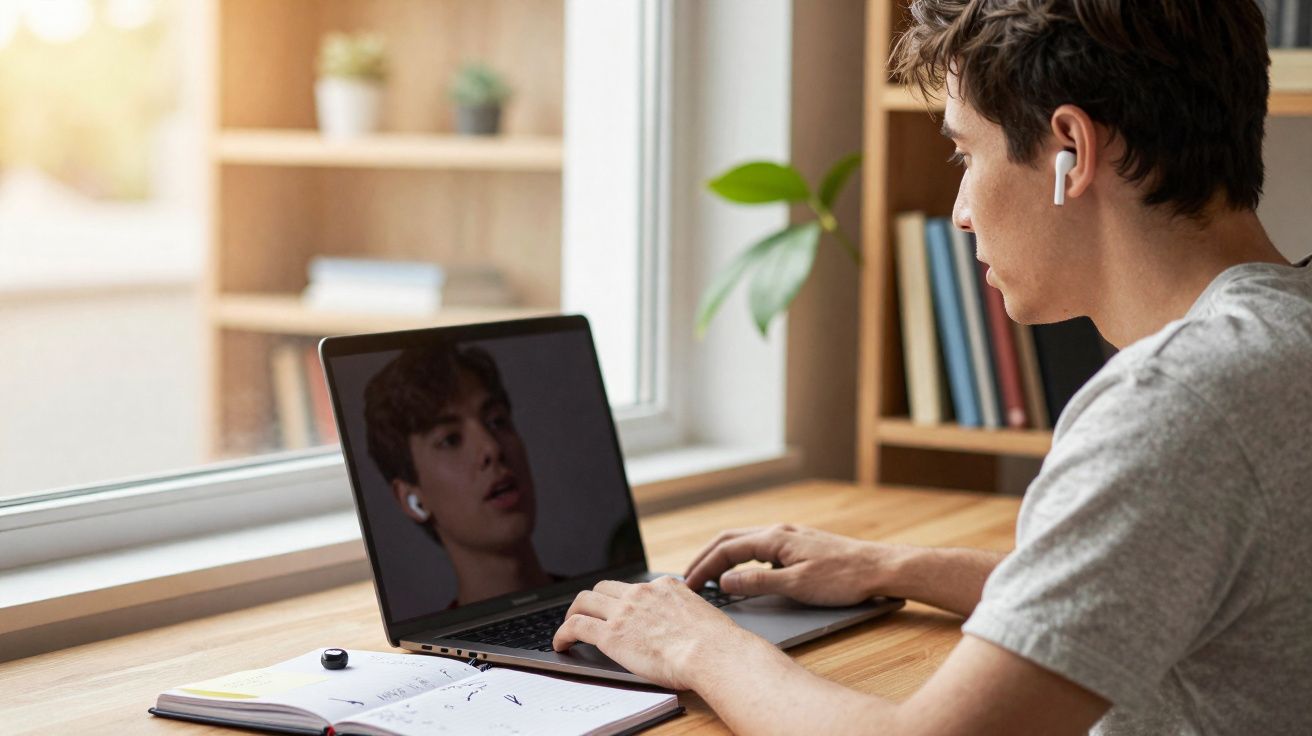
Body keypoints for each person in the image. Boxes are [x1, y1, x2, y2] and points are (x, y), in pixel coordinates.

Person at [551, 1, 1312, 733]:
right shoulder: (1281, 340)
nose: (960, 210)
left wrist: (695, 643)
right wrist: (894, 565)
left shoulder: (1178, 403)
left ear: (1070, 152)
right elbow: (1162, 586)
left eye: (964, 152)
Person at [365, 343, 554, 607]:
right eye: (451, 440)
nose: (492, 448)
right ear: (412, 499)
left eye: (498, 421)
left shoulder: (605, 608)